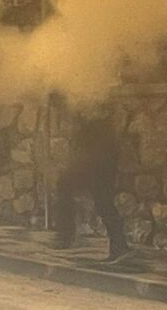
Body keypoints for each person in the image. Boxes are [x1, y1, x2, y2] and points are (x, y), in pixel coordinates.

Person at [53, 101, 132, 263]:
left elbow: (88, 150)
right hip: (97, 168)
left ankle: (66, 236)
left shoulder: (98, 126)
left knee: (103, 204)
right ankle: (118, 245)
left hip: (97, 168)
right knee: (102, 204)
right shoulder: (97, 124)